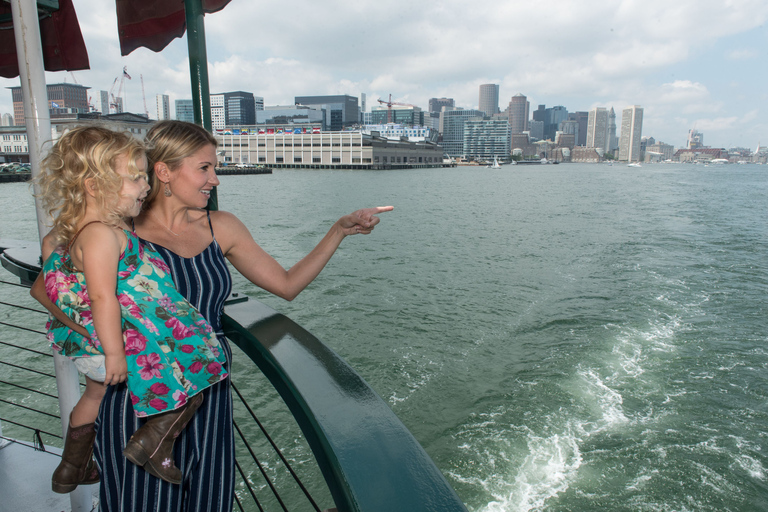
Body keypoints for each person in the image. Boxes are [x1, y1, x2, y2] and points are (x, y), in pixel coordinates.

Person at [94, 120, 392, 511]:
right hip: (143, 398)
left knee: (208, 498)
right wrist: (115, 342)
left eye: (214, 168)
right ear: (164, 172)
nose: (215, 179)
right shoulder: (116, 230)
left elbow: (286, 284)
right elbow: (52, 290)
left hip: (209, 394)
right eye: (204, 168)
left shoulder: (222, 227)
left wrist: (338, 230)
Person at [30, 126, 230, 493]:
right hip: (115, 348)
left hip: (89, 345)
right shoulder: (105, 234)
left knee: (92, 396)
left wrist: (81, 329)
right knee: (196, 379)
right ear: (94, 186)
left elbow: (47, 290)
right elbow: (104, 297)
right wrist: (114, 351)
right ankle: (154, 443)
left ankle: (70, 467)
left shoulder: (65, 234)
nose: (145, 185)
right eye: (137, 177)